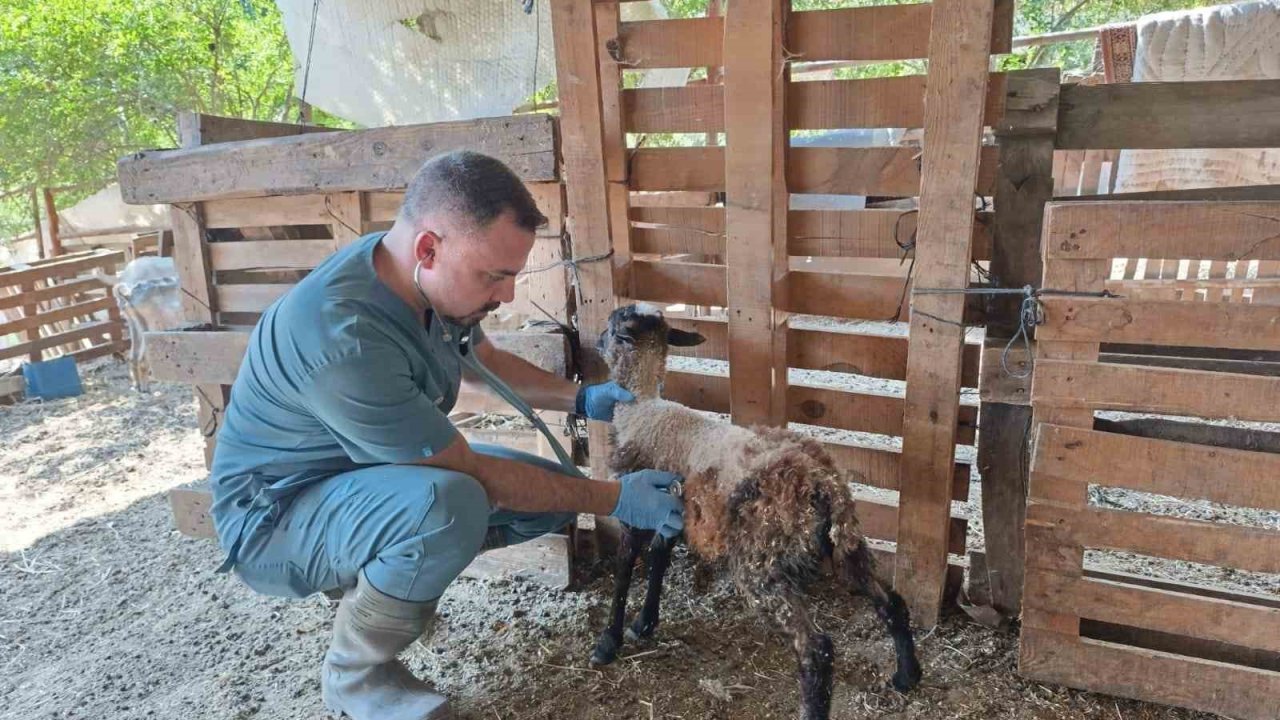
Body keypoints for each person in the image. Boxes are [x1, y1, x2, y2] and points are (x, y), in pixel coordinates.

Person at [206, 150, 685, 720]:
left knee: (548, 494)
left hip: (361, 473)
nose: (506, 295)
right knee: (451, 504)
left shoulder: (419, 284)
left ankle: (390, 579)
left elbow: (482, 359)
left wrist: (580, 398)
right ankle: (356, 677)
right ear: (428, 248)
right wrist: (614, 497)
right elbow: (473, 475)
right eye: (495, 276)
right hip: (276, 520)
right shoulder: (346, 338)